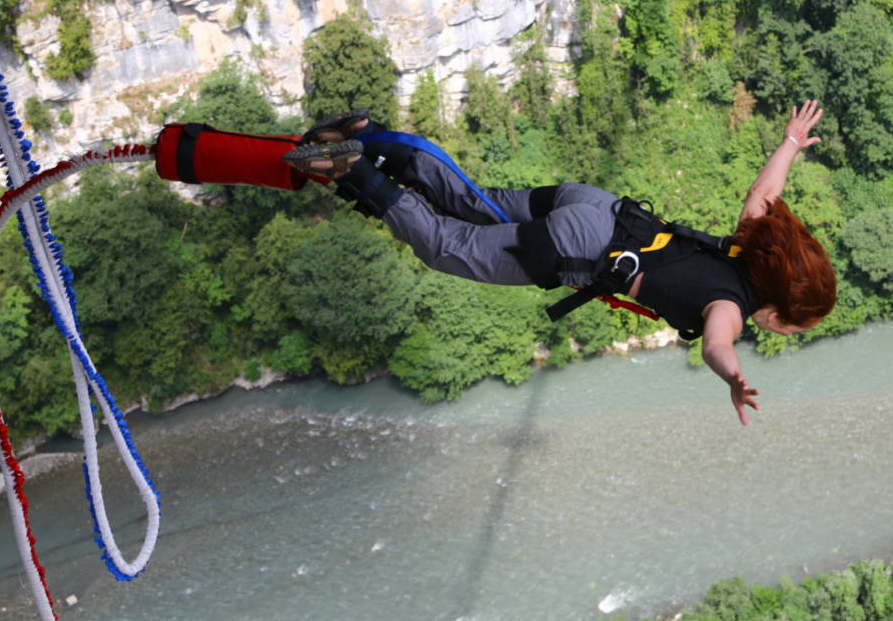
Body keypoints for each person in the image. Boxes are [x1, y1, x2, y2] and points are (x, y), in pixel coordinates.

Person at [287, 101, 836, 425]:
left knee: (478, 205)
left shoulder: (750, 245)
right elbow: (717, 343)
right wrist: (732, 377)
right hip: (579, 246)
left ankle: (374, 142)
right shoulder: (733, 308)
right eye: (788, 324)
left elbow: (763, 191)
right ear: (777, 305)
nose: (778, 330)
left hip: (597, 204)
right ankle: (355, 170)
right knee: (447, 245)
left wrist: (790, 141)